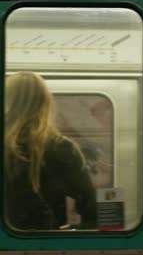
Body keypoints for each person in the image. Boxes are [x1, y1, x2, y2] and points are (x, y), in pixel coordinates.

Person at [4, 71, 96, 230]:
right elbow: (92, 210)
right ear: (44, 103)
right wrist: (72, 231)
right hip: (44, 242)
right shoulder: (60, 148)